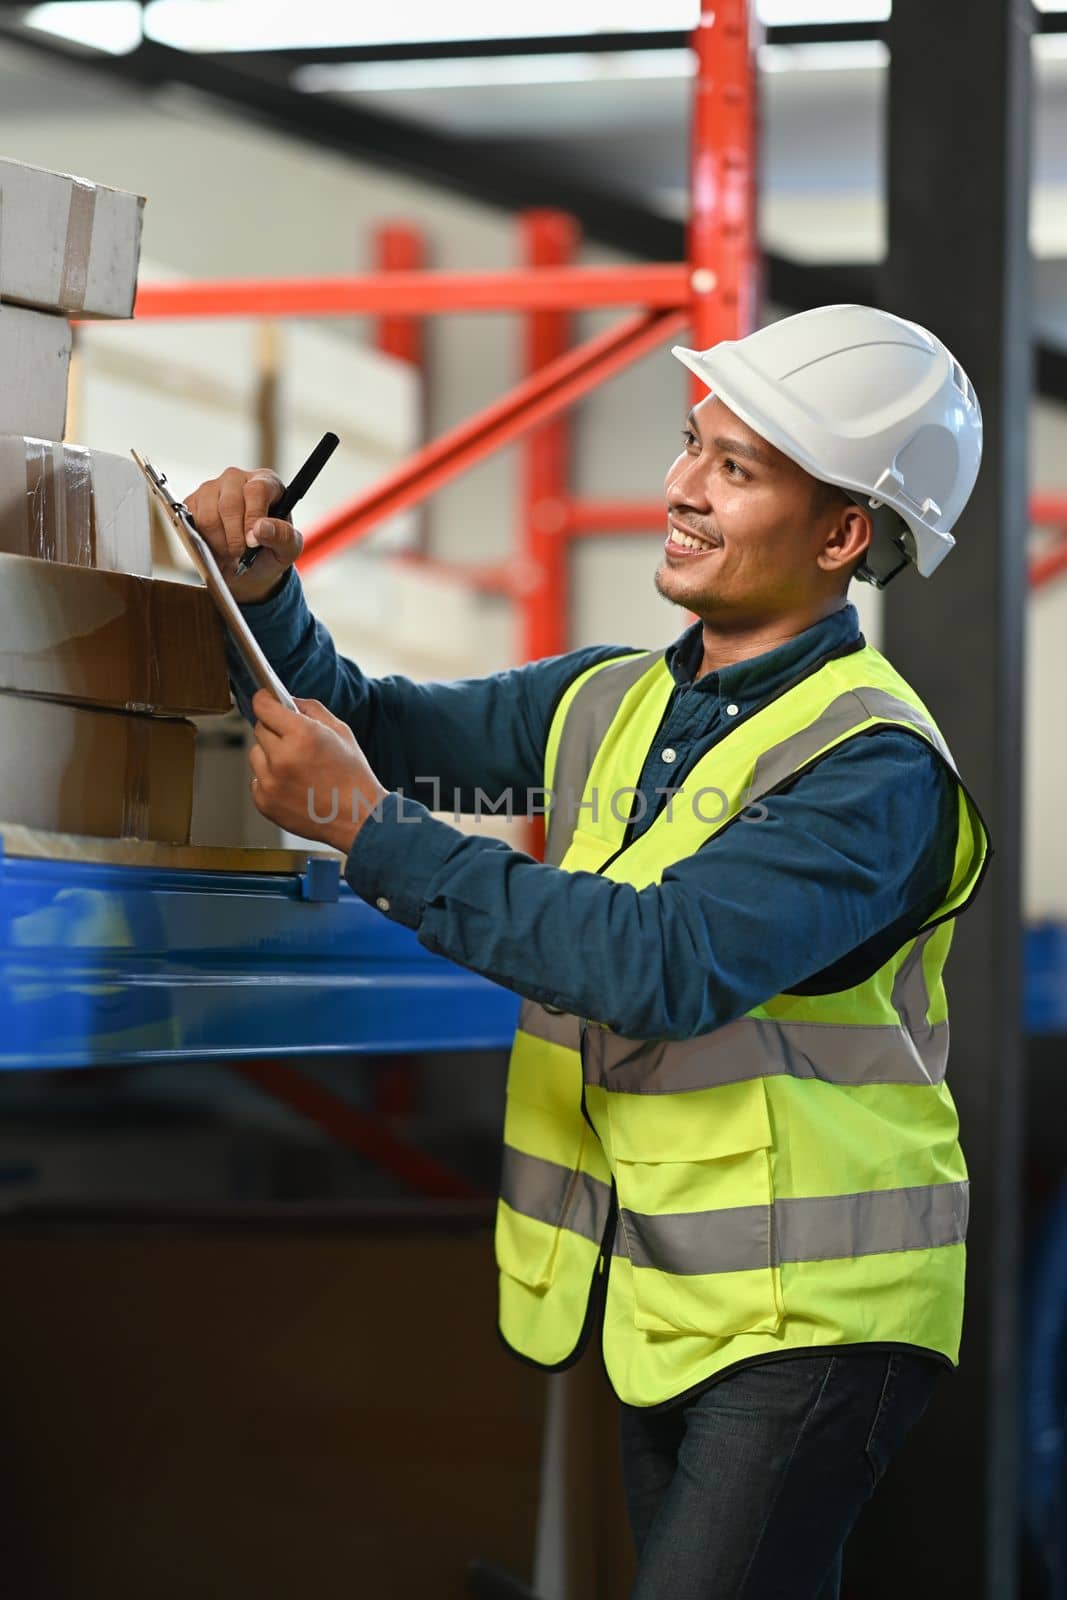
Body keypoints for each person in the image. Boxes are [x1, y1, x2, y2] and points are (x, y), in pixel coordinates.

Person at [188, 303, 988, 1599]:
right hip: (675, 1289)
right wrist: (265, 597)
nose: (678, 488)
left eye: (736, 469)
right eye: (690, 446)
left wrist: (366, 830)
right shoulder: (613, 699)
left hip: (817, 1317)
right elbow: (371, 727)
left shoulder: (873, 765)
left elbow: (656, 966)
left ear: (845, 535)